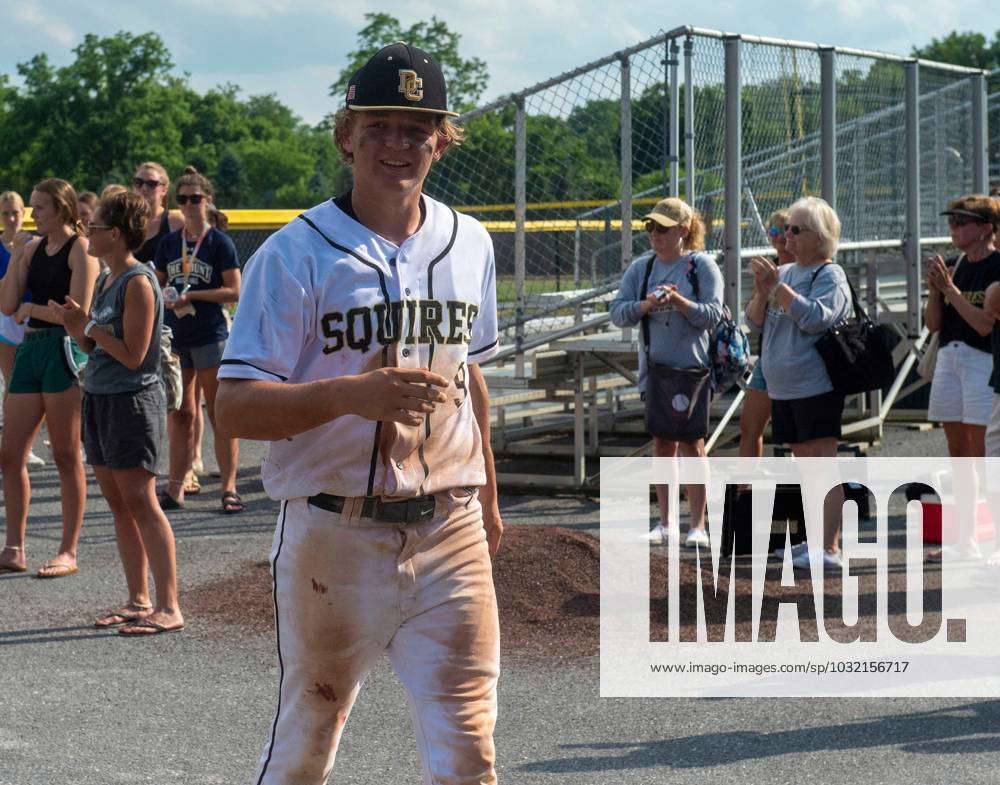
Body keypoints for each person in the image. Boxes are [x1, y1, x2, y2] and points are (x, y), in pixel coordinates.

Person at [215, 42, 502, 785]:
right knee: (309, 738)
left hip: (451, 526)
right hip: (332, 532)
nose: (397, 144)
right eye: (379, 125)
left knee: (470, 748)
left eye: (417, 128)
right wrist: (348, 395)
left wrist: (490, 500)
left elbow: (470, 377)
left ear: (441, 139)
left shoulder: (468, 242)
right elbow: (235, 405)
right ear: (346, 135)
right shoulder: (296, 253)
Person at [51, 191, 184, 634]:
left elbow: (134, 354)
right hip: (101, 397)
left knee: (143, 503)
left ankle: (169, 605)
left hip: (131, 401)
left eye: (97, 225)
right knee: (120, 506)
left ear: (117, 233)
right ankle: (137, 599)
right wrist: (77, 326)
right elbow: (94, 345)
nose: (88, 230)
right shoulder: (109, 280)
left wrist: (88, 327)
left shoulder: (138, 282)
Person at [610, 197, 723, 547]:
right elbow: (617, 312)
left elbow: (713, 315)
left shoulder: (700, 265)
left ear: (683, 231)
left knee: (693, 445)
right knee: (662, 443)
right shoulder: (642, 268)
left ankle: (698, 525)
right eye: (650, 227)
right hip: (656, 370)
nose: (654, 234)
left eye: (663, 228)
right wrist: (646, 304)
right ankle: (666, 522)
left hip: (693, 369)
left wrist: (679, 302)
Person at [746, 196, 852, 569]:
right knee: (804, 464)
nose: (784, 235)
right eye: (785, 228)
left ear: (818, 236)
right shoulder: (786, 273)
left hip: (815, 384)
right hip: (783, 386)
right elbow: (754, 322)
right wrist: (763, 290)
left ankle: (831, 548)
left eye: (794, 229)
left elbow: (817, 319)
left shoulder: (830, 275)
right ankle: (815, 541)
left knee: (822, 463)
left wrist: (779, 288)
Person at [0, 179, 99, 576]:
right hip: (31, 350)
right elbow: (8, 306)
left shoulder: (81, 249)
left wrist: (31, 309)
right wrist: (15, 259)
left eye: (40, 208)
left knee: (64, 454)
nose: (32, 214)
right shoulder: (32, 248)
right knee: (10, 453)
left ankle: (68, 550)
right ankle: (14, 546)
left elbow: (78, 313)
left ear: (61, 209)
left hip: (64, 350)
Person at [153, 166, 242, 512]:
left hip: (210, 335)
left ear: (208, 201)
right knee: (181, 413)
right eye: (183, 199)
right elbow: (157, 281)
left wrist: (193, 297)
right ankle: (175, 487)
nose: (189, 205)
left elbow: (234, 291)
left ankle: (229, 487)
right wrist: (166, 295)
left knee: (220, 413)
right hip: (176, 336)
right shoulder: (169, 243)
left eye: (196, 198)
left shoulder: (219, 242)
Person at [924, 195, 1000, 561]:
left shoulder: (996, 266)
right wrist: (934, 291)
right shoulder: (956, 265)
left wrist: (951, 291)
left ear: (986, 228)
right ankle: (966, 540)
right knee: (959, 453)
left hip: (981, 361)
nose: (954, 228)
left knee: (985, 453)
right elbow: (934, 324)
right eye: (952, 221)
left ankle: (993, 543)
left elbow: (985, 326)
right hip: (950, 357)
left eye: (962, 221)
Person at [739, 208, 794, 458]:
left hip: (798, 359)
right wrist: (762, 292)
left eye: (785, 230)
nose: (779, 237)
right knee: (750, 427)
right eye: (773, 231)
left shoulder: (806, 268)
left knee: (801, 435)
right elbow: (754, 321)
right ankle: (744, 491)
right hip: (769, 359)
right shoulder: (770, 268)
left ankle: (810, 492)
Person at [0, 191, 46, 467]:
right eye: (6, 213)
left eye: (16, 212)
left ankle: (29, 443)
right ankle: (12, 443)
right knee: (13, 383)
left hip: (34, 318)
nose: (12, 218)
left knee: (40, 384)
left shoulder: (36, 243)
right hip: (7, 319)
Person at [131, 161, 183, 266]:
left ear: (164, 190)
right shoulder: (124, 221)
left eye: (151, 184)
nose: (144, 188)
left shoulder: (176, 222)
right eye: (138, 182)